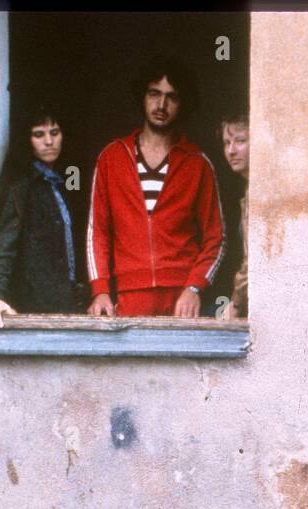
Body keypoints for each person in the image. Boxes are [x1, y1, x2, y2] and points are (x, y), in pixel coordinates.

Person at [86, 56, 225, 318]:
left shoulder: (198, 163)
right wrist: (100, 289)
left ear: (183, 104)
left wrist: (195, 287)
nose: (161, 105)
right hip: (128, 296)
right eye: (154, 94)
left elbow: (216, 238)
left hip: (182, 300)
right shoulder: (112, 157)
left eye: (172, 97)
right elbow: (98, 232)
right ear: (142, 96)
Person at [0, 104, 87, 330]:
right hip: (36, 307)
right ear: (27, 140)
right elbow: (4, 247)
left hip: (72, 304)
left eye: (55, 133)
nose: (49, 141)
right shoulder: (20, 185)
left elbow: (79, 230)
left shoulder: (67, 177)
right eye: (39, 134)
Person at [218, 110, 249, 320]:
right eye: (226, 142)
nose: (231, 150)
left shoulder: (262, 195)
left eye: (240, 141)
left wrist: (237, 300)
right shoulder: (247, 193)